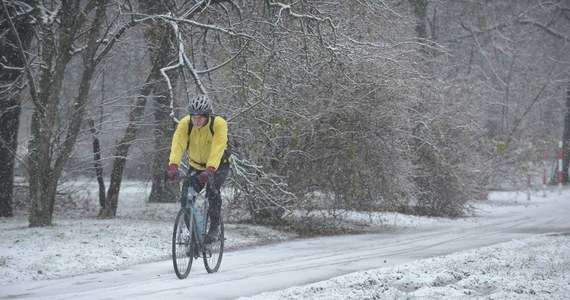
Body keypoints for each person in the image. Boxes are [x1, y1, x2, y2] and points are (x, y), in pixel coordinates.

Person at [166, 94, 231, 243]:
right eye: (193, 117)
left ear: (207, 115)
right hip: (196, 165)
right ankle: (195, 237)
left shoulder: (218, 124)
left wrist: (210, 170)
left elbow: (217, 148)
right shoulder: (185, 124)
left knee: (212, 192)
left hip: (219, 164)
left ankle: (214, 229)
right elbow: (178, 144)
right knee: (186, 197)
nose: (196, 121)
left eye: (199, 118)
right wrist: (173, 165)